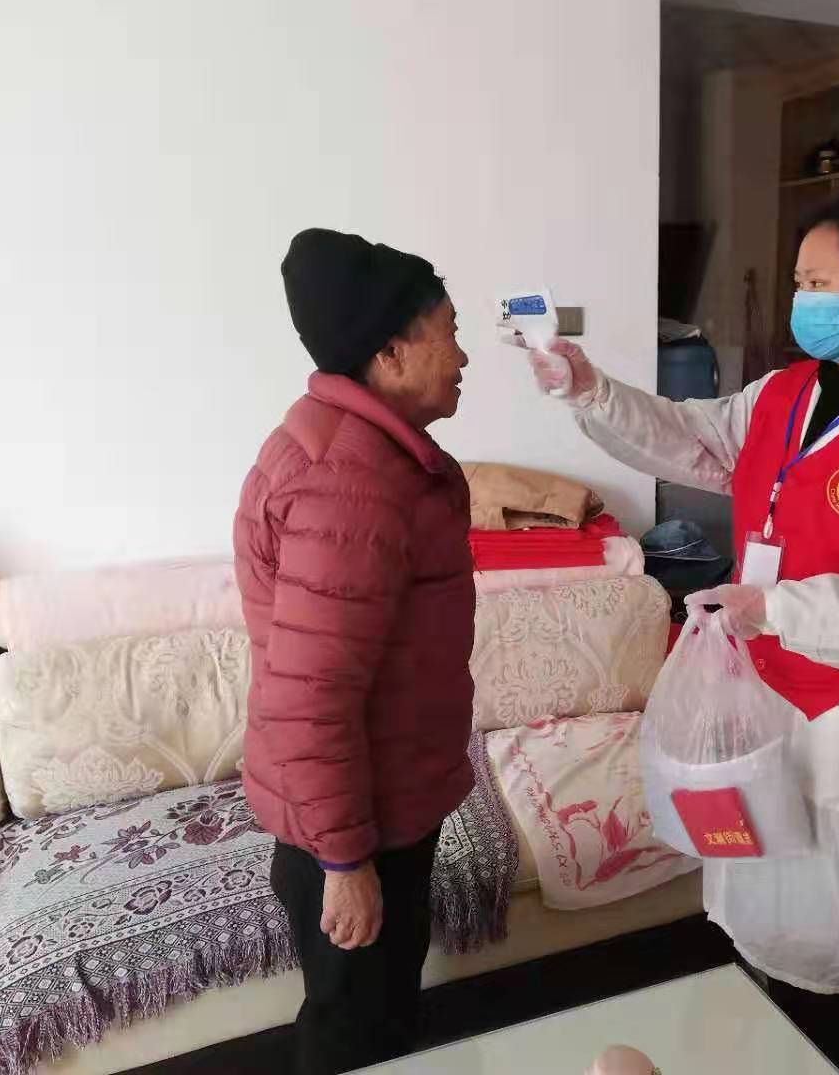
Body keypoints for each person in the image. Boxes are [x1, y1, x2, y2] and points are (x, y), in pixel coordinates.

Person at [530, 188, 839, 1074]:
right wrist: (592, 391)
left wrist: (776, 607)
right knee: (769, 926)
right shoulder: (785, 393)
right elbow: (689, 438)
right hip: (763, 700)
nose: (801, 300)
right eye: (798, 281)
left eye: (820, 283)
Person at [234, 228, 475, 1074]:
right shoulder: (352, 484)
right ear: (390, 352)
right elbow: (311, 697)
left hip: (375, 807)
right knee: (355, 1040)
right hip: (353, 828)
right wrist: (345, 860)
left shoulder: (358, 453)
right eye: (449, 332)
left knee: (378, 1021)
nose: (463, 356)